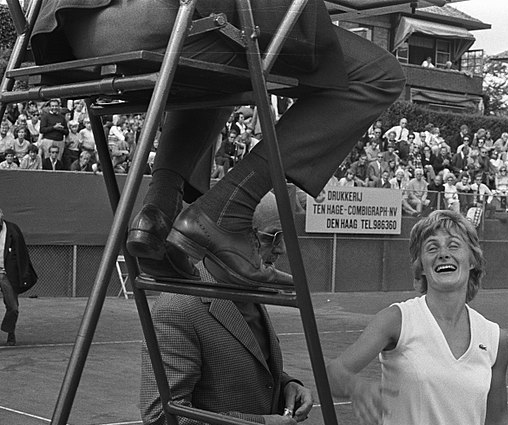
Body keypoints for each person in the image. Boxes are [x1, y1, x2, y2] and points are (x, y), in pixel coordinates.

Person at [32, 0, 405, 287]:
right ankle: (226, 210)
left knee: (225, 61)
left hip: (74, 30)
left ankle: (158, 211)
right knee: (379, 73)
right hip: (162, 17)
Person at [327, 210, 508, 425]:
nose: (443, 252)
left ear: (472, 261)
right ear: (422, 268)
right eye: (432, 247)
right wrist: (358, 388)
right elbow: (334, 371)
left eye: (454, 245)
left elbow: (498, 423)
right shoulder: (397, 320)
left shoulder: (494, 338)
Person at [139, 192, 312, 425]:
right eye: (272, 238)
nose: (280, 250)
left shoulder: (246, 287)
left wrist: (287, 385)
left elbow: (244, 362)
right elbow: (161, 417)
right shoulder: (180, 306)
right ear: (232, 236)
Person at [0, 208, 38, 346]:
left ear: (2, 214)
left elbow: (22, 254)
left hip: (6, 274)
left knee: (13, 307)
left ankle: (10, 332)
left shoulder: (12, 230)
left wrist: (23, 275)